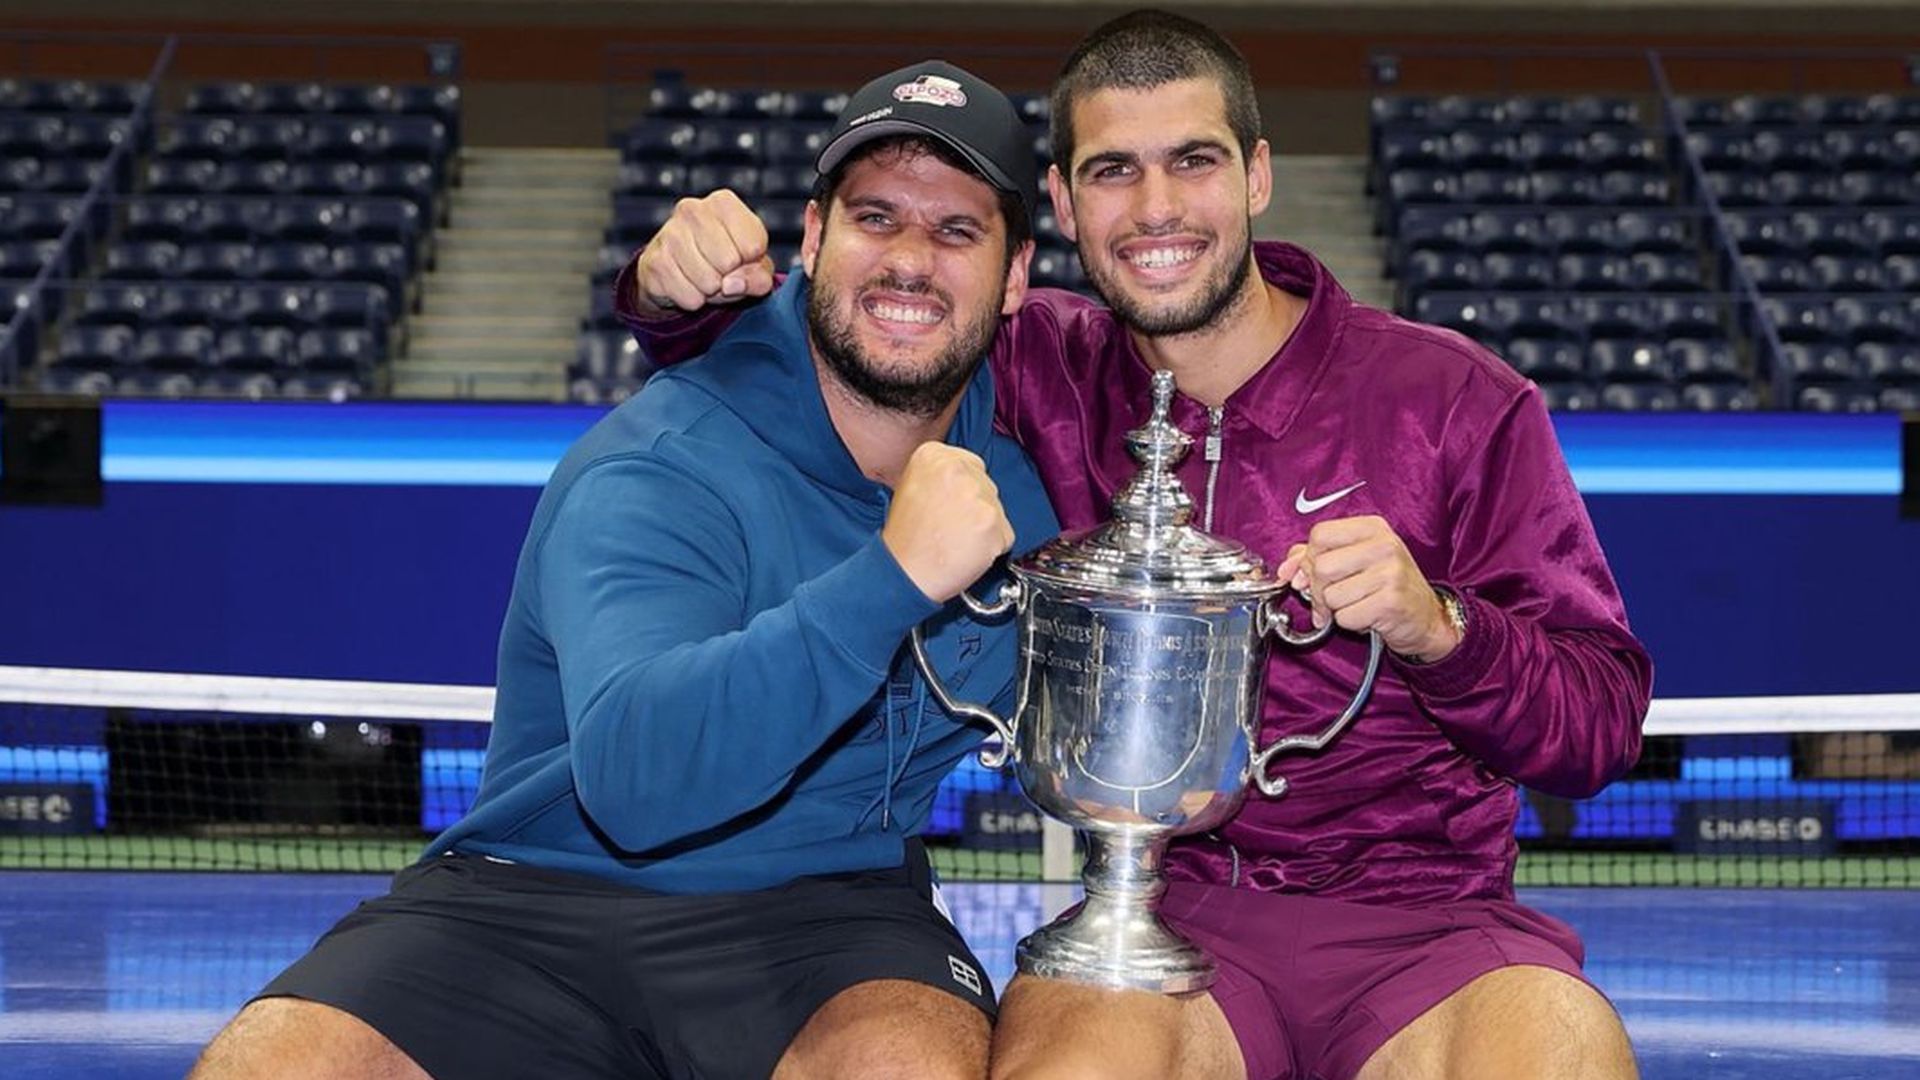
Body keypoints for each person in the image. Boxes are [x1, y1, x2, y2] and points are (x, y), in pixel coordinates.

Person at [615, 11, 1654, 1080]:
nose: (1157, 210)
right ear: (1063, 201)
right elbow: (846, 345)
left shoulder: (1453, 401)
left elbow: (1600, 731)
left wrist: (1444, 630)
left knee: (1561, 1059)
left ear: (1255, 175)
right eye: (1114, 171)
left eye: (1192, 162)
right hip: (1154, 914)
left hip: (1435, 929)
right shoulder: (1030, 363)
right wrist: (675, 295)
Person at [189, 59, 1057, 1080]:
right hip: (535, 894)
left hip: (836, 913)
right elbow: (639, 785)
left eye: (957, 231)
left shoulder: (1036, 479)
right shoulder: (656, 463)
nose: (911, 260)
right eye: (875, 218)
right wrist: (891, 577)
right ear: (813, 240)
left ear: (1014, 277)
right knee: (275, 1068)